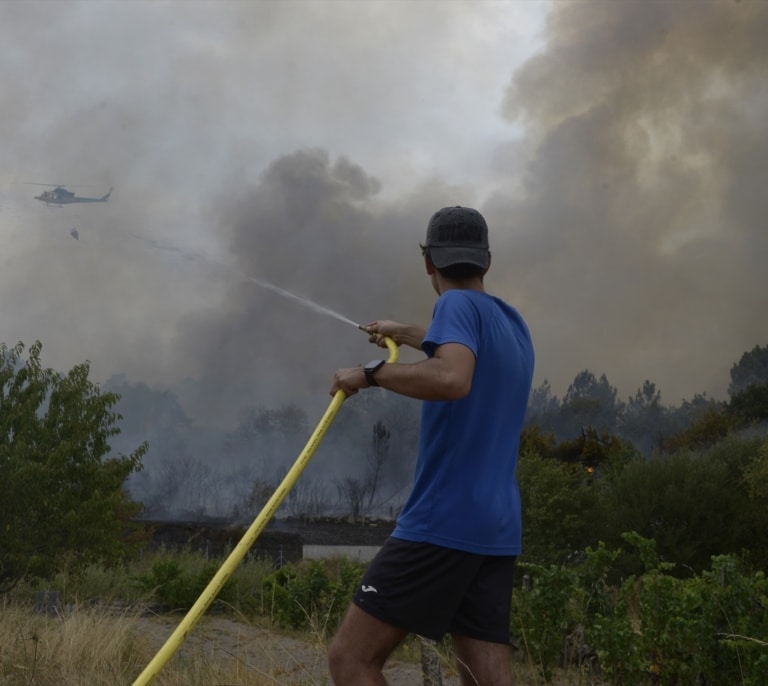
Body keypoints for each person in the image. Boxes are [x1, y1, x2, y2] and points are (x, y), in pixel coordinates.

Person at [328, 205, 535, 686]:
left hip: (442, 521)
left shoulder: (454, 307)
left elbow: (453, 375)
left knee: (350, 659)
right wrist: (405, 333)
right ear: (487, 261)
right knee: (486, 679)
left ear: (428, 263)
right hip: (496, 527)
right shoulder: (511, 323)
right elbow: (457, 350)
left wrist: (370, 375)